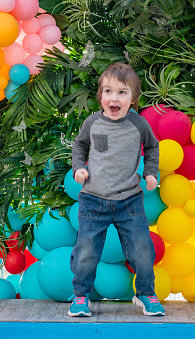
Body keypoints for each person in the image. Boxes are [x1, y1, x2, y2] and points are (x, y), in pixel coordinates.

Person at [68, 62, 164, 317]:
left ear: (133, 99)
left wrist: (151, 172)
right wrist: (79, 167)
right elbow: (80, 147)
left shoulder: (139, 125)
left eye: (122, 93)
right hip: (93, 201)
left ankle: (146, 293)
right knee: (86, 251)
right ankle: (80, 296)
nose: (114, 98)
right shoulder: (92, 123)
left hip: (129, 202)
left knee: (143, 249)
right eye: (108, 91)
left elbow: (152, 148)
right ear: (100, 96)